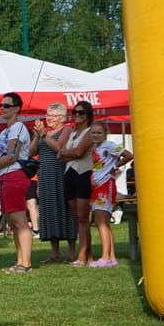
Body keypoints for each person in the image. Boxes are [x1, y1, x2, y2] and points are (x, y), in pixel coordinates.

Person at [0, 93, 33, 274]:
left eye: (7, 106)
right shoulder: (5, 131)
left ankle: (25, 263)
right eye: (1, 105)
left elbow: (12, 156)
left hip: (15, 175)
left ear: (17, 108)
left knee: (19, 221)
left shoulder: (18, 127)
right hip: (5, 176)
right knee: (12, 220)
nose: (2, 108)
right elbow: (2, 156)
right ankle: (20, 261)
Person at [31, 103, 77, 263]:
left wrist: (44, 135)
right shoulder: (45, 133)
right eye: (48, 115)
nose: (49, 118)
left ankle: (71, 253)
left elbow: (59, 148)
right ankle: (54, 252)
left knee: (66, 211)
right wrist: (37, 135)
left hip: (61, 174)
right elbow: (31, 152)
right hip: (44, 176)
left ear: (62, 118)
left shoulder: (67, 130)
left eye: (53, 115)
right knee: (49, 211)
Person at [89, 121, 134, 267]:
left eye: (99, 133)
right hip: (98, 186)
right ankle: (111, 257)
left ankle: (105, 257)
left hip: (105, 186)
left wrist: (115, 166)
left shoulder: (110, 146)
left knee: (100, 222)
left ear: (105, 134)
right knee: (104, 222)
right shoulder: (96, 148)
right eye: (93, 132)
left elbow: (128, 155)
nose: (95, 135)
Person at [58, 100, 95, 267]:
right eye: (75, 112)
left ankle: (82, 254)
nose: (77, 115)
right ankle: (87, 253)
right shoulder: (72, 132)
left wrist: (66, 153)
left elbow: (80, 152)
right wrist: (67, 153)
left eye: (81, 113)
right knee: (78, 217)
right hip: (70, 173)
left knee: (82, 217)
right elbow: (61, 155)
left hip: (83, 173)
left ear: (88, 116)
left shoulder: (90, 131)